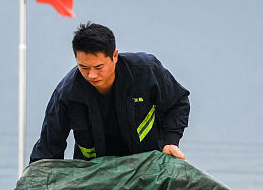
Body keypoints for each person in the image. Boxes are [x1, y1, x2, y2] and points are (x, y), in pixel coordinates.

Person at [29, 22, 190, 163]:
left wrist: (171, 141)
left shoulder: (146, 71)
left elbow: (178, 102)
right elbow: (48, 151)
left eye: (99, 67)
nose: (91, 75)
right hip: (94, 177)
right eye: (83, 67)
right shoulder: (66, 93)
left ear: (114, 56)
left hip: (148, 167)